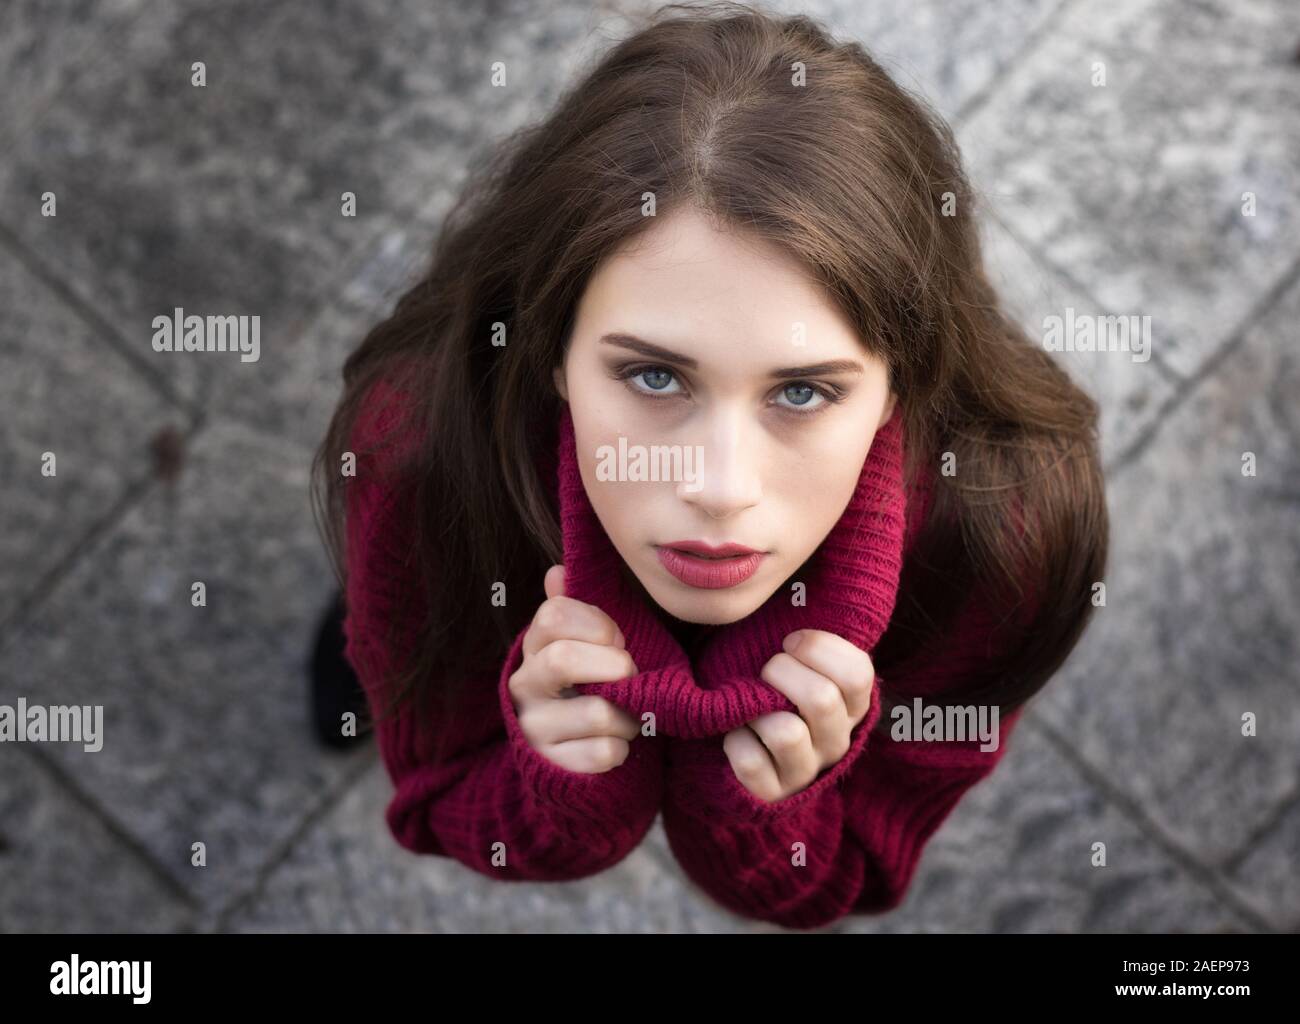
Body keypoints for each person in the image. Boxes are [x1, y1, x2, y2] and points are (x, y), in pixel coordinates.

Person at [307, 2, 1107, 930]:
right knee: (430, 572)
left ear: (903, 387)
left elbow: (848, 878)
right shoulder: (416, 448)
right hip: (476, 508)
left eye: (803, 392)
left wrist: (767, 806)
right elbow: (438, 809)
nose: (722, 488)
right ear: (552, 353)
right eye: (654, 375)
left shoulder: (1007, 535)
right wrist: (553, 780)